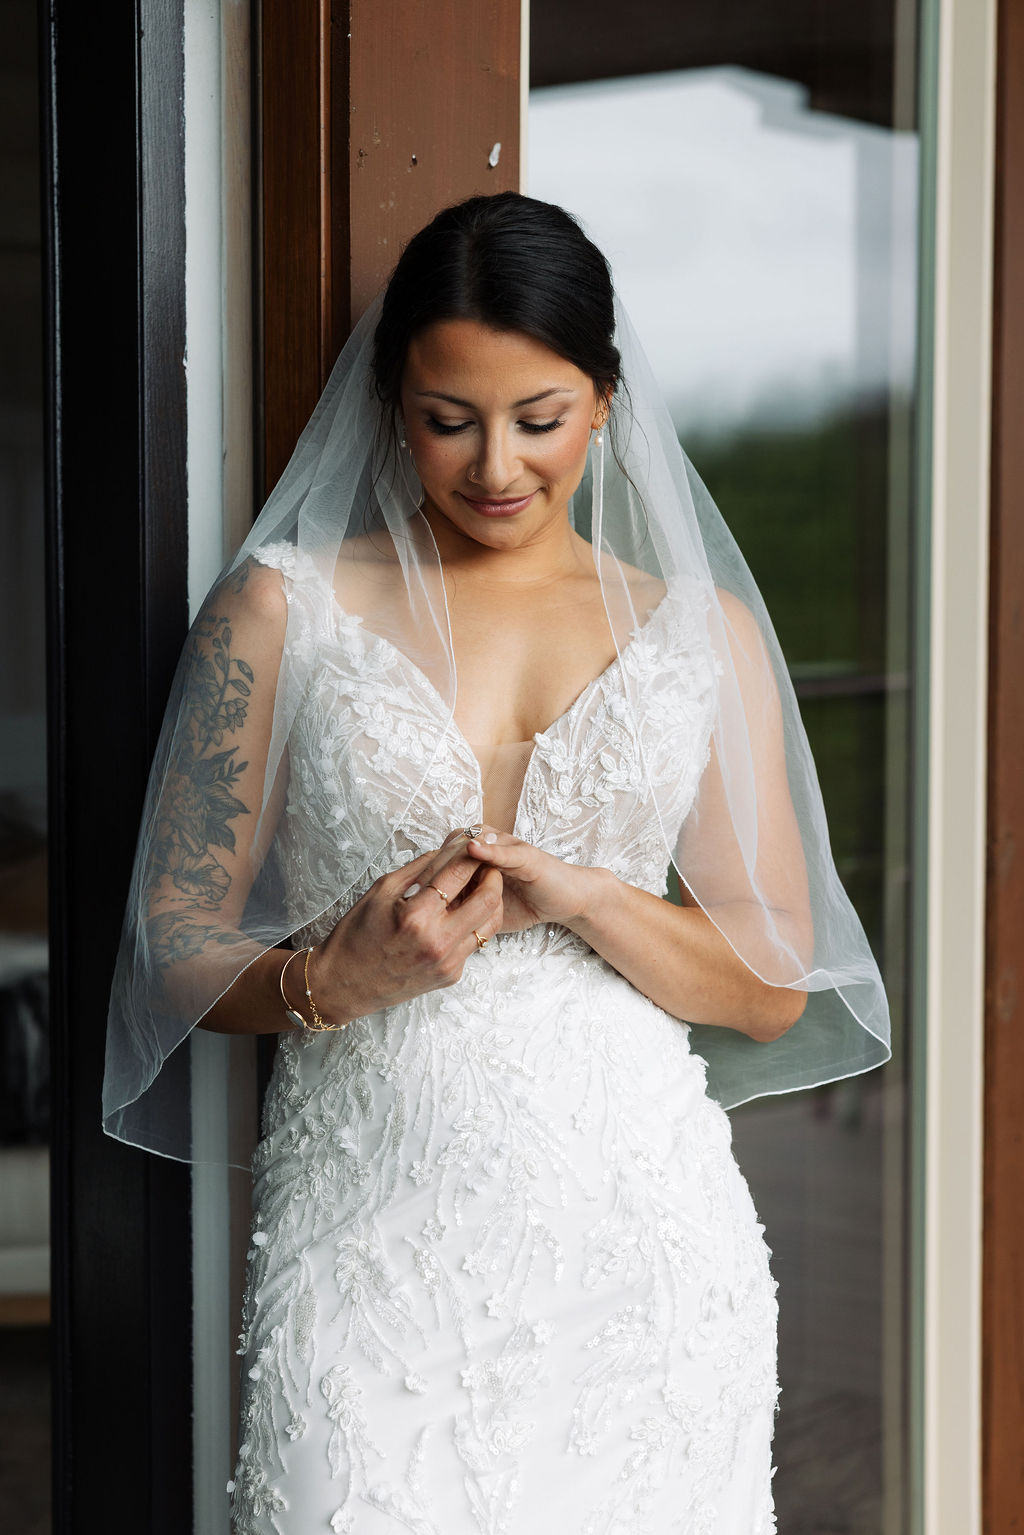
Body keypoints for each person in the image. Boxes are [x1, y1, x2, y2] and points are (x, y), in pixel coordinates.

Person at [104, 192, 890, 1533]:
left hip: (639, 1242)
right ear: (390, 404)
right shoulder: (283, 608)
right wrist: (326, 983)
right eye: (447, 418)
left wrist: (591, 897)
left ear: (605, 400)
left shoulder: (699, 636)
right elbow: (170, 936)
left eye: (542, 417)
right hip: (370, 1239)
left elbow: (767, 989)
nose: (495, 467)